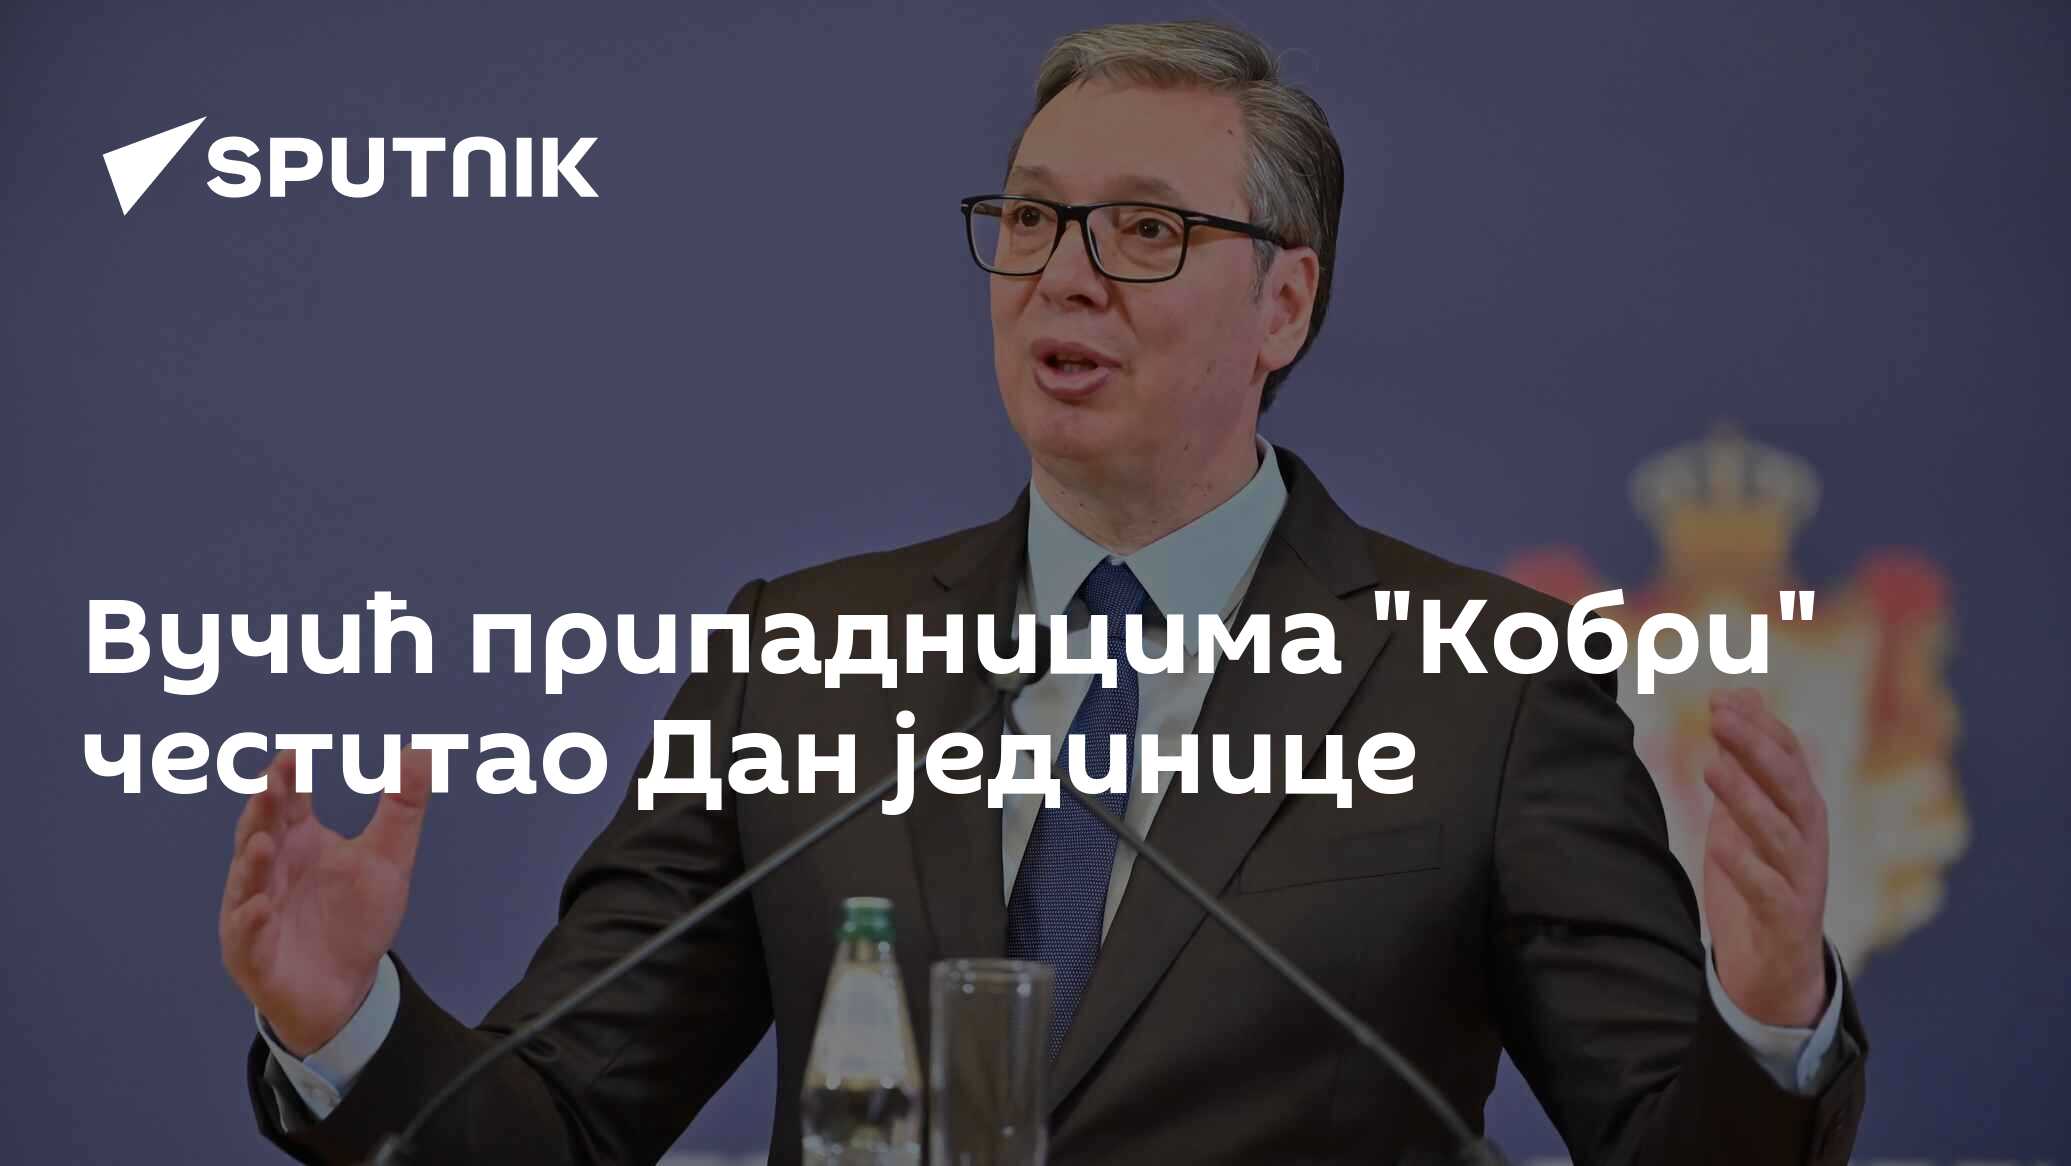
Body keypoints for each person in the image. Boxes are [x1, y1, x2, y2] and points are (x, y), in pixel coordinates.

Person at [221, 20, 1866, 1164]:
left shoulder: (1481, 686)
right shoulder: (802, 660)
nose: (1064, 273)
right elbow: (563, 1122)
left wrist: (1767, 1015)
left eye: (1145, 230)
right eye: (1030, 218)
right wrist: (352, 1024)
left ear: (1284, 304)